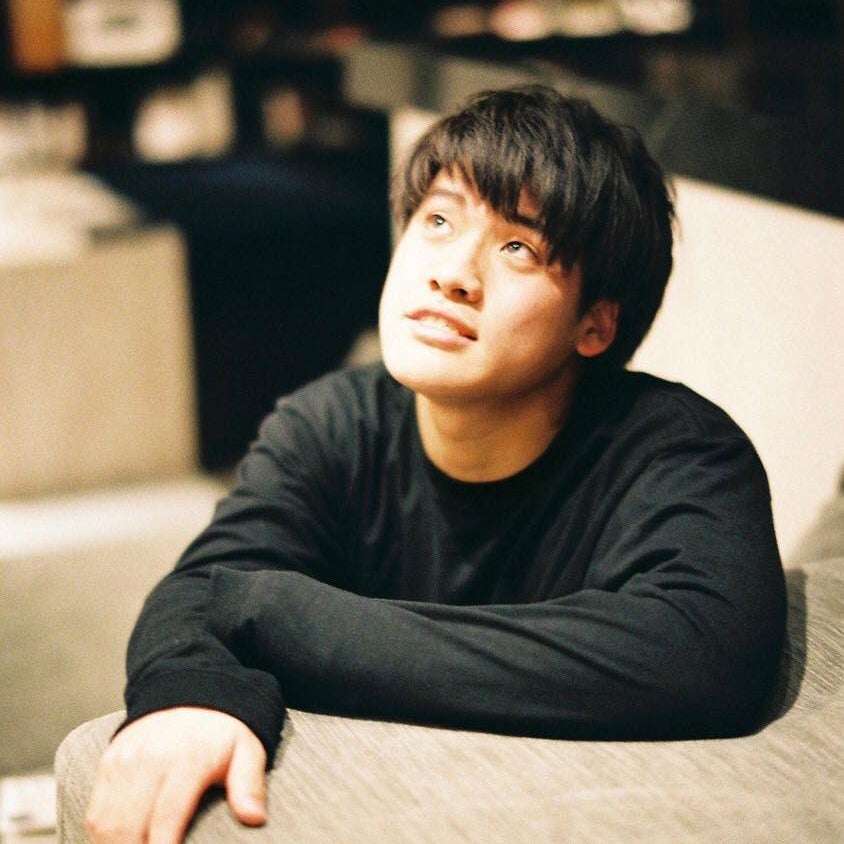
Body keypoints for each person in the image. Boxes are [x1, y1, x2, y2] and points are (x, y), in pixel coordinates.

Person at [86, 86, 786, 844]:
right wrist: (195, 694)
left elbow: (702, 655)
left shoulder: (679, 450)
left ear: (595, 323)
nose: (453, 272)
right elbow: (198, 595)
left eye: (519, 247)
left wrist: (278, 616)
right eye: (439, 221)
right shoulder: (331, 423)